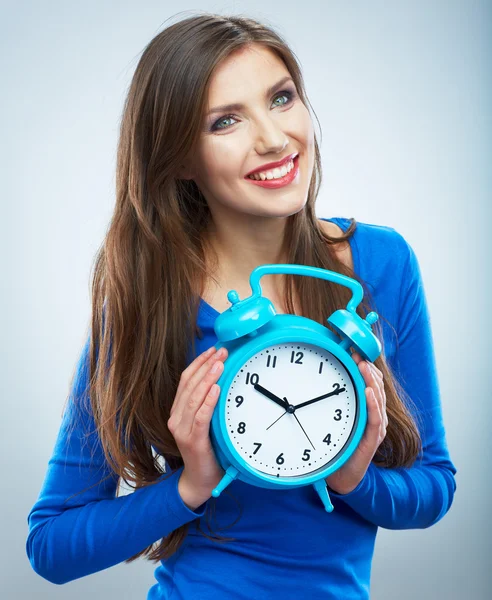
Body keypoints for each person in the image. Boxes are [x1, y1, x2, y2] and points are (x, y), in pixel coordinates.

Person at [25, 13, 457, 600]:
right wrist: (190, 487)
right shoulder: (150, 302)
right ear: (179, 159)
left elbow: (434, 486)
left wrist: (358, 478)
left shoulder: (382, 263)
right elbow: (51, 545)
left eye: (281, 99)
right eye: (225, 120)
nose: (274, 139)